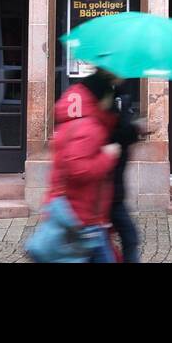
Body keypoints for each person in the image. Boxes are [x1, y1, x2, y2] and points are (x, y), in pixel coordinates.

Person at [45, 69, 121, 262]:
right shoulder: (90, 127)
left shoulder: (71, 121)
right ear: (102, 99)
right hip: (83, 215)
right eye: (110, 97)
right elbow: (78, 170)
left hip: (81, 213)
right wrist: (108, 156)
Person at [108, 79, 146, 263]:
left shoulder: (119, 91)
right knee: (129, 239)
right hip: (106, 190)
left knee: (128, 239)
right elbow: (113, 133)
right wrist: (135, 130)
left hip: (112, 189)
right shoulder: (103, 93)